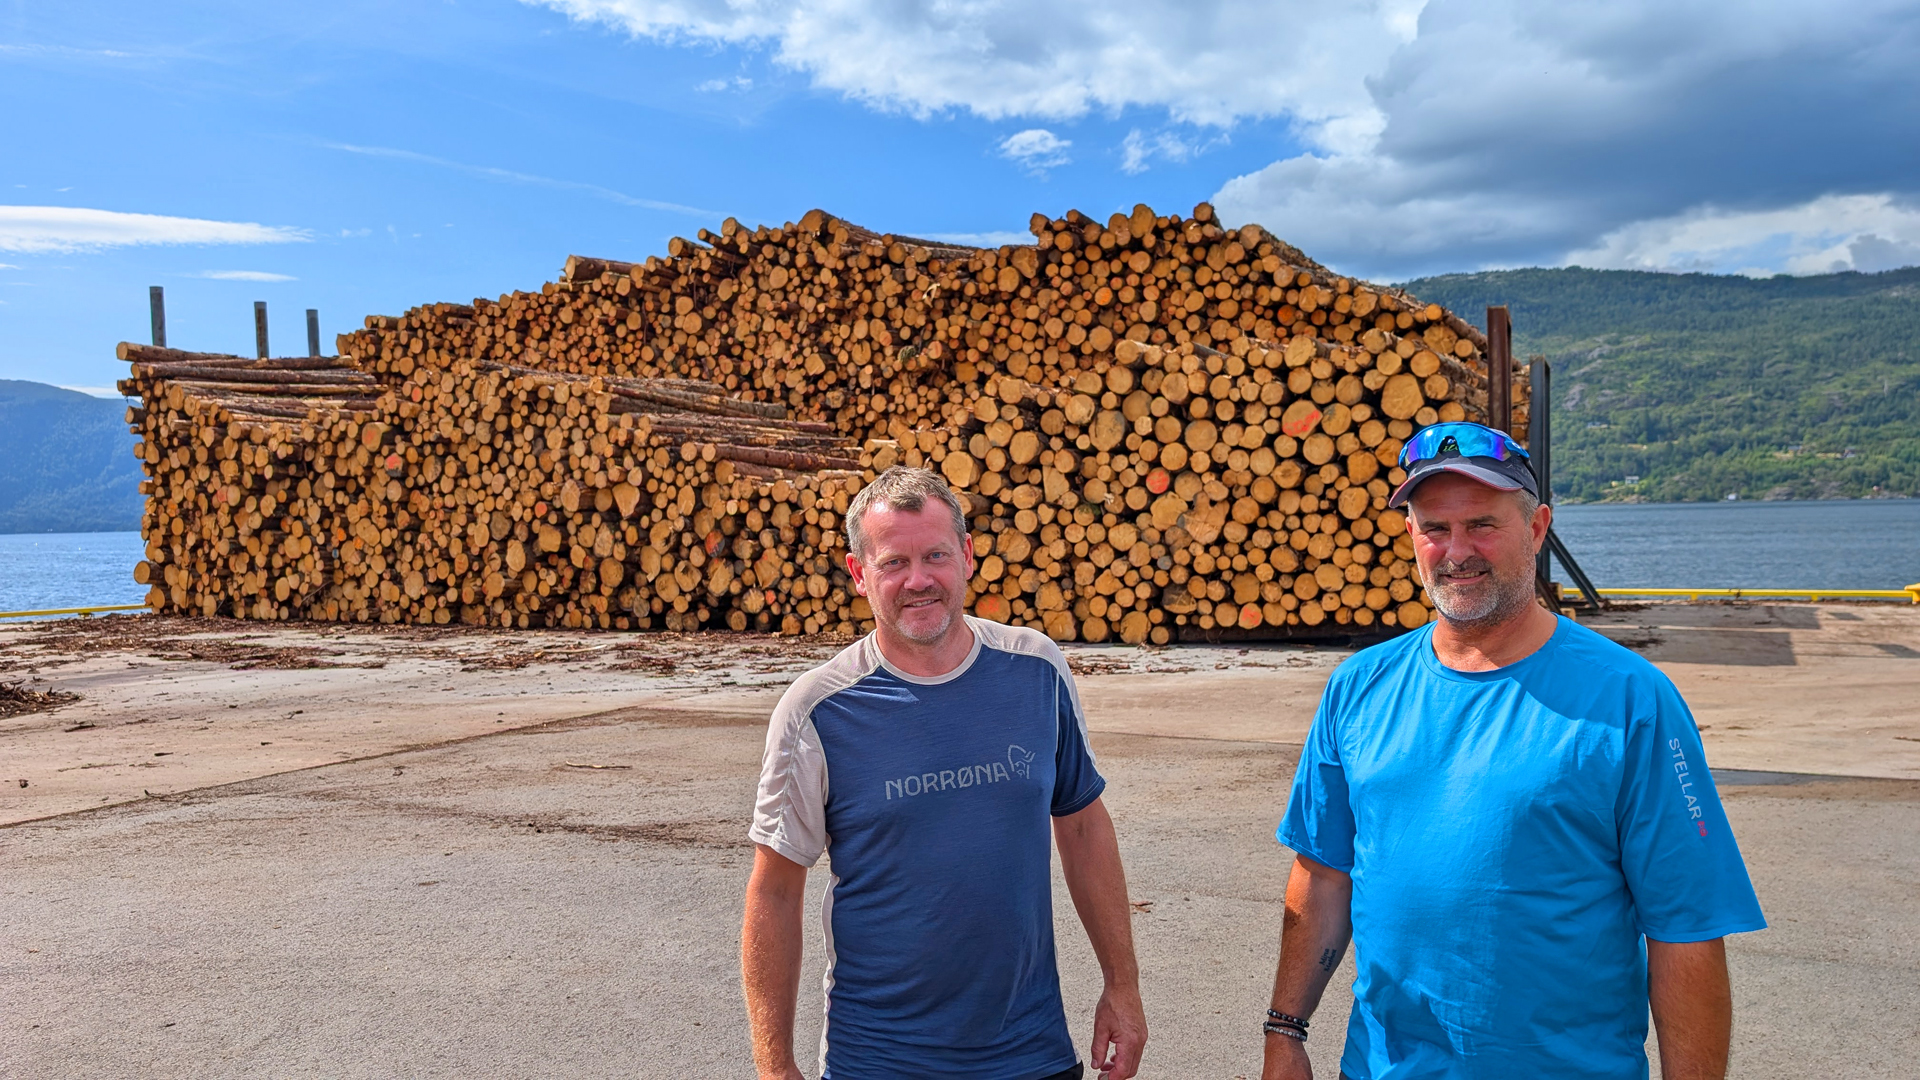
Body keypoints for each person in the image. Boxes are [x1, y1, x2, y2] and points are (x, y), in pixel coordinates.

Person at [1258, 422, 1765, 1080]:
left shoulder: (1631, 701)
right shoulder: (1358, 688)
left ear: (1537, 528)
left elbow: (1686, 928)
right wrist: (1284, 1030)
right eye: (1433, 527)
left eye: (1482, 525)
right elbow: (1324, 873)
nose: (1456, 550)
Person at [742, 466, 1148, 1080]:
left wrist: (1122, 985)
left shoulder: (1035, 668)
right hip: (879, 1061)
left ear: (967, 556)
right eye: (893, 563)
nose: (918, 580)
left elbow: (1084, 827)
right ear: (859, 575)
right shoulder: (817, 711)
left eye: (935, 555)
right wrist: (775, 1067)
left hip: (1032, 1054)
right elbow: (774, 890)